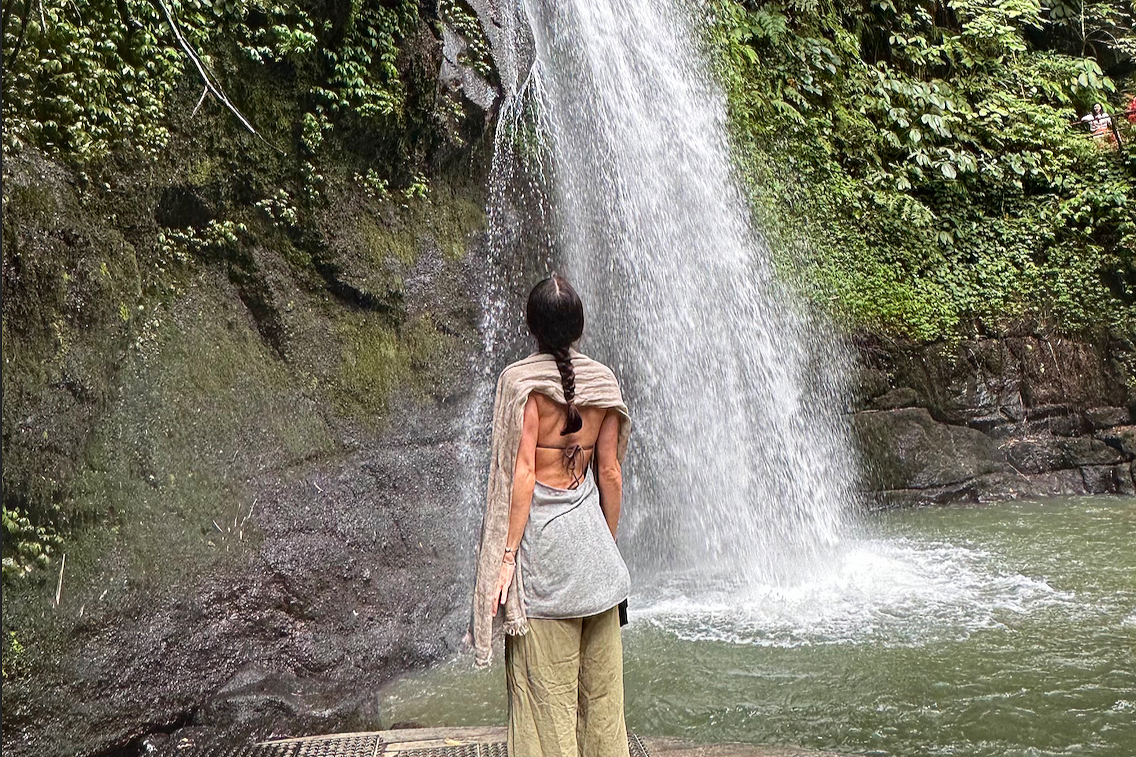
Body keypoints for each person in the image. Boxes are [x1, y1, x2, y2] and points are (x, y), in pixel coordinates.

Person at [471, 274, 633, 757]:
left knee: (546, 702)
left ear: (531, 326)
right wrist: (605, 547)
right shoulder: (604, 382)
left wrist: (505, 558)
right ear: (579, 328)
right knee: (603, 705)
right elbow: (611, 475)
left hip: (545, 564)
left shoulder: (520, 384)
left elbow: (520, 475)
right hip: (596, 564)